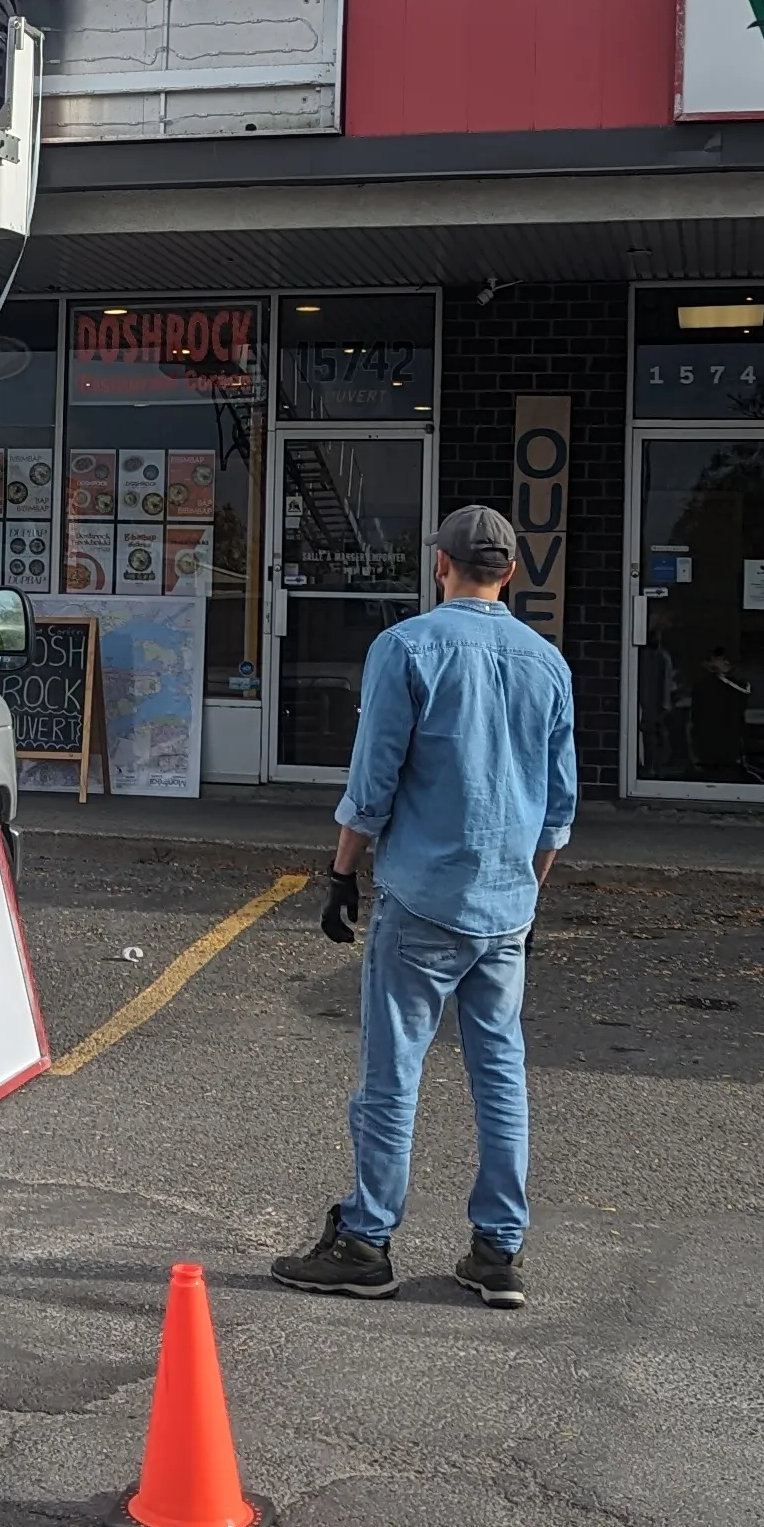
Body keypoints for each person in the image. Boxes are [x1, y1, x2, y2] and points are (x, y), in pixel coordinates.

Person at [276, 500, 578, 1310]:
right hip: (507, 900)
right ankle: (498, 1250)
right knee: (500, 1071)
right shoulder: (548, 663)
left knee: (392, 1071)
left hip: (422, 896)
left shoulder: (406, 647)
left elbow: (374, 780)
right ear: (511, 573)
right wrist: (527, 889)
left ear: (440, 564)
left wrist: (343, 873)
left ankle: (367, 1239)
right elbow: (558, 808)